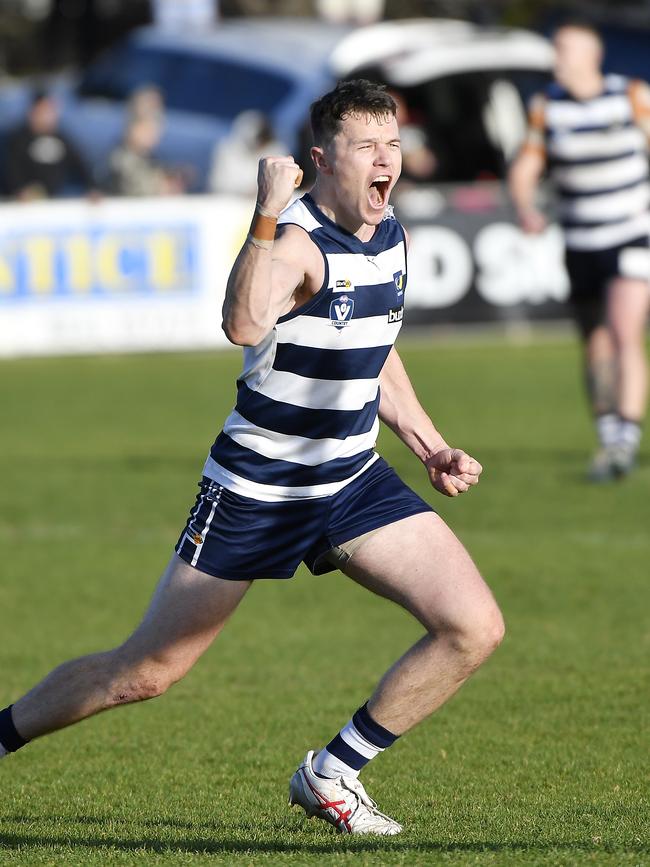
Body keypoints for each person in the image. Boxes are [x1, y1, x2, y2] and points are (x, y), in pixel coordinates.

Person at [0, 79, 504, 836]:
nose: (384, 161)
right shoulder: (296, 239)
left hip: (351, 479)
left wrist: (428, 444)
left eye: (391, 144)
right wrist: (265, 211)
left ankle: (332, 772)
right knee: (145, 672)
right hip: (257, 487)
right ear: (321, 160)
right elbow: (241, 322)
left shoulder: (392, 233)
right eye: (365, 147)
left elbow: (376, 351)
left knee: (474, 625)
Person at [509, 21, 650, 481]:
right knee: (594, 339)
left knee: (623, 329)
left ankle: (626, 438)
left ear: (593, 54)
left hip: (631, 234)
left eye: (565, 49)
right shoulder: (546, 105)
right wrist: (526, 207)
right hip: (579, 239)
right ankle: (609, 435)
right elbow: (527, 165)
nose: (558, 58)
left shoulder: (630, 95)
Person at [3, 90, 95, 201]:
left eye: (51, 111)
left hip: (53, 200)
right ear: (33, 111)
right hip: (20, 202)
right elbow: (11, 170)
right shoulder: (17, 139)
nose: (47, 116)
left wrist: (92, 188)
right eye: (43, 111)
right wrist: (19, 190)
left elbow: (81, 166)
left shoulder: (62, 139)